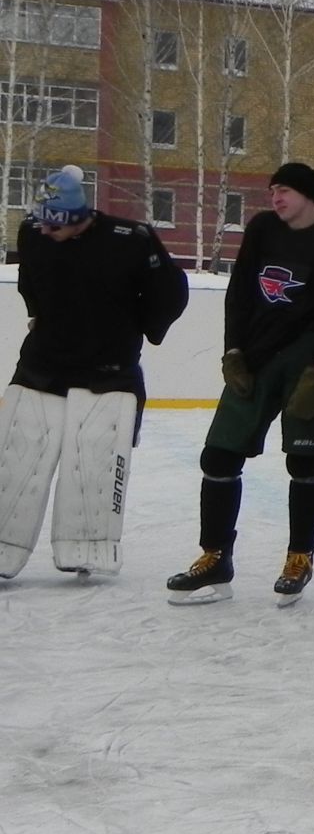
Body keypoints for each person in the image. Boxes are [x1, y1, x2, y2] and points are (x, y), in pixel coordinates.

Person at [166, 163, 314, 605]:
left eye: (286, 190)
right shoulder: (261, 229)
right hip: (257, 355)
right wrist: (234, 350)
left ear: (311, 196)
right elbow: (240, 291)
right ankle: (215, 555)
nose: (276, 197)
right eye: (273, 189)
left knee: (305, 462)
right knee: (218, 454)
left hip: (311, 358)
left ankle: (300, 557)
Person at [0, 165, 187, 579]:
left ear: (75, 218)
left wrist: (140, 329)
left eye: (54, 226)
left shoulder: (131, 240)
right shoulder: (33, 233)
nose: (44, 232)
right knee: (16, 460)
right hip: (42, 365)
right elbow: (28, 280)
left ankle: (88, 545)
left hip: (109, 371)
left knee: (94, 463)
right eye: (41, 224)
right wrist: (37, 314)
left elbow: (171, 293)